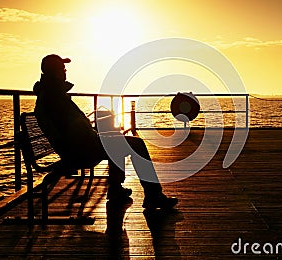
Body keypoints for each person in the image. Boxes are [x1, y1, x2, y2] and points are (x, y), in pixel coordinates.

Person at [33, 54, 178, 210]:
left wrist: (96, 135)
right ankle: (153, 196)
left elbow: (70, 128)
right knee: (136, 144)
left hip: (80, 146)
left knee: (116, 140)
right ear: (54, 72)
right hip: (80, 151)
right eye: (62, 68)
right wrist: (95, 136)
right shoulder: (53, 96)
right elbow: (71, 129)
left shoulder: (51, 94)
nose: (65, 71)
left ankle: (117, 190)